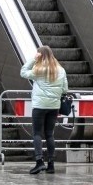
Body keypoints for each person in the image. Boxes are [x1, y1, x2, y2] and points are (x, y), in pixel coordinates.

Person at [20, 45, 69, 175]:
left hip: (39, 106)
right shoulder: (61, 70)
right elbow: (65, 90)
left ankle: (39, 162)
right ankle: (51, 165)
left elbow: (23, 72)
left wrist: (33, 60)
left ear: (40, 56)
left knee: (37, 133)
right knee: (49, 134)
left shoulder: (39, 69)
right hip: (54, 106)